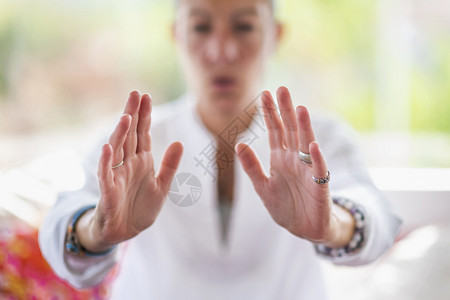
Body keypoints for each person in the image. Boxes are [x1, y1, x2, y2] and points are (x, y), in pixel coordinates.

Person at [39, 0, 402, 299]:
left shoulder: (318, 139)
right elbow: (63, 224)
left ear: (274, 35)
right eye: (200, 27)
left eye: (243, 27)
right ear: (176, 35)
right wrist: (97, 230)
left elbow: (378, 215)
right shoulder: (135, 140)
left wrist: (333, 224)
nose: (222, 50)